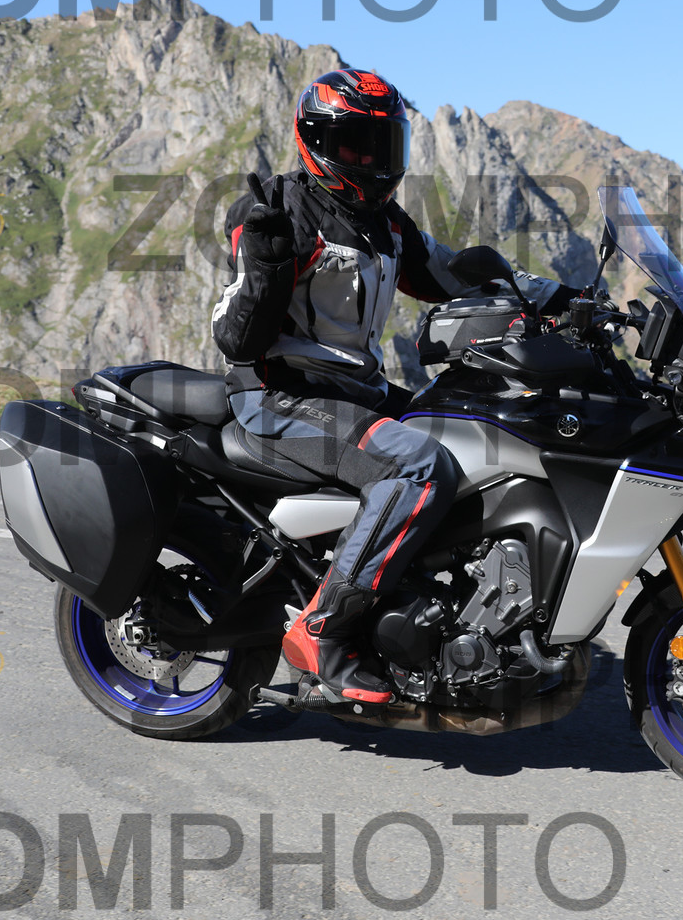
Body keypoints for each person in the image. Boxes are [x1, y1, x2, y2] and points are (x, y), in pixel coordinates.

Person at [211, 69, 577, 705]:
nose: (371, 162)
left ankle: (446, 610)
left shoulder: (385, 224)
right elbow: (234, 337)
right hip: (278, 397)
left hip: (353, 393)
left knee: (483, 429)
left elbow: (452, 274)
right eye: (356, 146)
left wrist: (558, 298)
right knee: (417, 465)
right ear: (317, 141)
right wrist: (265, 269)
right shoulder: (275, 212)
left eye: (383, 146)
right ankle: (324, 631)